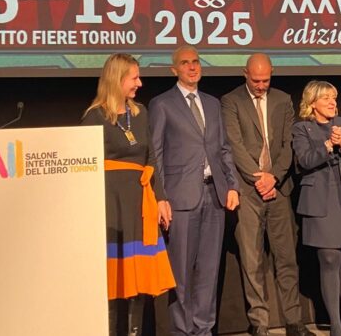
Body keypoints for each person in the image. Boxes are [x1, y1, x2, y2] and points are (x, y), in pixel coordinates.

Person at [81, 53, 175, 336]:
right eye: (134, 77)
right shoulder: (94, 117)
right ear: (117, 79)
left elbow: (152, 157)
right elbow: (84, 166)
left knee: (140, 279)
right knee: (112, 280)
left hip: (139, 205)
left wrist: (160, 198)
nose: (140, 83)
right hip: (111, 207)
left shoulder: (140, 113)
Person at [149, 45, 240, 336]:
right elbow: (156, 154)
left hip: (214, 195)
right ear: (174, 69)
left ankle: (204, 330)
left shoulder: (212, 103)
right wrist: (161, 196)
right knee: (182, 273)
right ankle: (181, 331)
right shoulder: (162, 104)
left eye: (196, 62)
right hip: (181, 198)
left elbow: (223, 149)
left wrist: (232, 185)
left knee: (209, 272)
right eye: (185, 63)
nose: (192, 67)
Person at [221, 54, 313, 336]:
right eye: (256, 80)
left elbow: (288, 144)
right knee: (252, 260)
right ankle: (259, 323)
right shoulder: (231, 101)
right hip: (249, 191)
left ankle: (293, 320)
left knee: (287, 258)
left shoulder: (283, 100)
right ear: (245, 74)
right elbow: (234, 144)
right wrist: (258, 178)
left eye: (266, 80)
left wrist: (274, 177)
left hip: (279, 188)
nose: (261, 85)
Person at [292, 81, 341, 336]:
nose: (332, 102)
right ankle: (335, 325)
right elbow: (304, 161)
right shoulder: (301, 128)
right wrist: (326, 146)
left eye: (334, 97)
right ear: (312, 102)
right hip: (321, 202)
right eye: (326, 98)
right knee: (330, 259)